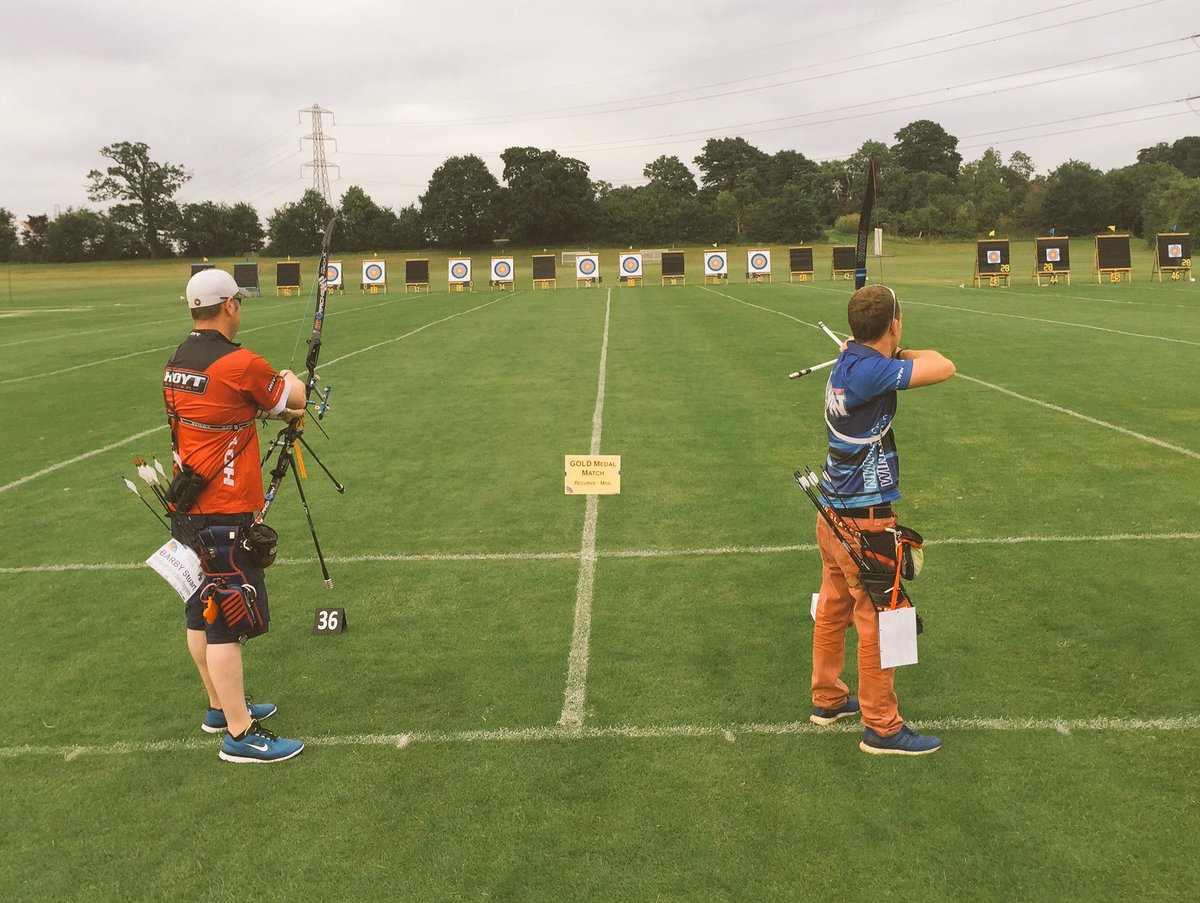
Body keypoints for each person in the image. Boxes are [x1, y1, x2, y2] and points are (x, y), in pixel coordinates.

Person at [164, 267, 307, 763]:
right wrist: (290, 381)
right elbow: (294, 396)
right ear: (229, 305)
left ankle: (219, 708)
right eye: (239, 302)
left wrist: (260, 409)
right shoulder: (240, 363)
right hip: (222, 512)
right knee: (225, 619)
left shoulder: (176, 361)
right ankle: (240, 735)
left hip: (186, 507)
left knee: (199, 611)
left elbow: (221, 409)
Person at [809, 284, 955, 756]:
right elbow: (943, 365)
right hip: (865, 522)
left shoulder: (851, 361)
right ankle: (882, 727)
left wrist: (880, 348)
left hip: (834, 514)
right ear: (894, 325)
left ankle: (828, 699)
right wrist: (896, 351)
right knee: (877, 620)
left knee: (834, 607)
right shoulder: (872, 371)